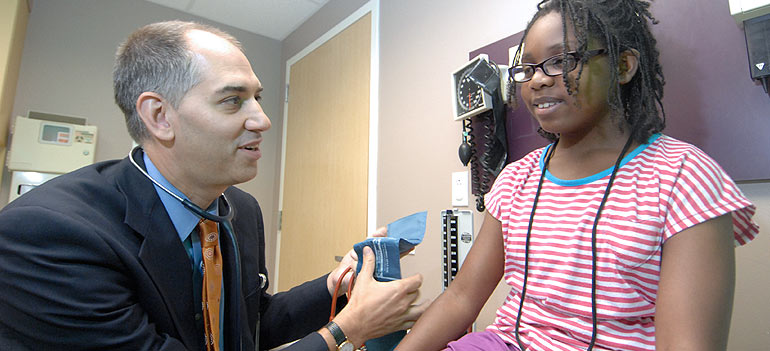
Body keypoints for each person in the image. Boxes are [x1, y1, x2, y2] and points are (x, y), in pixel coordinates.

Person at [0, 21, 425, 351]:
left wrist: (336, 285)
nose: (262, 120)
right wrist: (342, 332)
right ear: (160, 117)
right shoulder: (46, 237)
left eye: (257, 97)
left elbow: (250, 324)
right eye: (232, 100)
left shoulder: (238, 209)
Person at [397, 0, 759, 350]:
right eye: (528, 68)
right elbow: (461, 298)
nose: (537, 80)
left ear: (623, 65)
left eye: (561, 60)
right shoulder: (515, 181)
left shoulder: (683, 177)